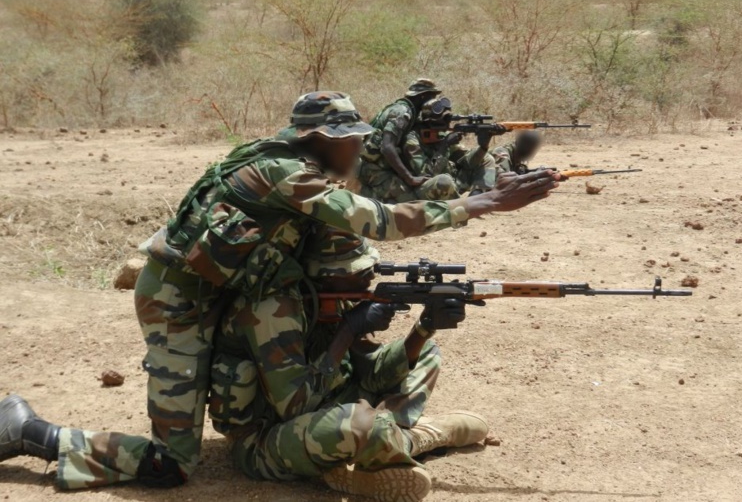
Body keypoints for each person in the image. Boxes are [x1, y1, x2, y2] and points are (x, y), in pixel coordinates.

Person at [0, 91, 559, 491]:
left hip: (224, 286)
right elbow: (376, 218)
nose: (357, 150)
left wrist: (400, 313)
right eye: (350, 141)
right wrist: (480, 205)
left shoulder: (294, 171)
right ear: (321, 139)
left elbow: (360, 222)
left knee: (332, 363)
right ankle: (30, 432)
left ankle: (366, 440)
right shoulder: (283, 174)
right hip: (178, 299)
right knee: (173, 461)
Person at [208, 226, 487, 501]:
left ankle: (379, 442)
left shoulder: (332, 298)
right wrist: (347, 331)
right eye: (354, 270)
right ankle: (417, 437)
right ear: (322, 276)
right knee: (364, 424)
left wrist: (424, 328)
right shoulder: (271, 312)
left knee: (424, 352)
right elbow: (294, 407)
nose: (368, 276)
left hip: (326, 408)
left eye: (367, 266)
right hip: (264, 442)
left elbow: (371, 372)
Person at [394, 97, 497, 201]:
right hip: (420, 191)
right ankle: (461, 211)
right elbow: (426, 174)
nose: (444, 128)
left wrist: (483, 146)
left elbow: (467, 161)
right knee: (444, 180)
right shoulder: (412, 139)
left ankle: (476, 201)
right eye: (441, 123)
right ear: (428, 122)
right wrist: (444, 145)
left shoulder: (439, 133)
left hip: (447, 182)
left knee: (486, 159)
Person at [356, 78, 443, 201]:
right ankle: (366, 195)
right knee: (412, 200)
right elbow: (387, 147)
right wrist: (409, 178)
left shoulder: (407, 111)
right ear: (423, 97)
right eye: (432, 97)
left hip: (375, 167)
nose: (435, 102)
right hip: (371, 170)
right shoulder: (402, 112)